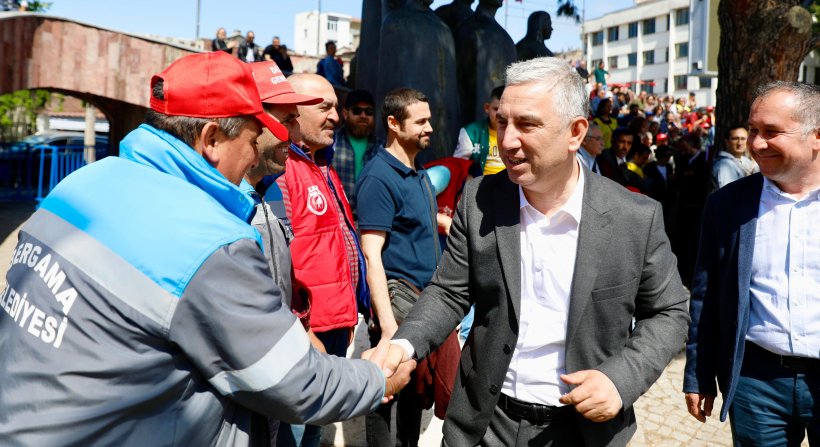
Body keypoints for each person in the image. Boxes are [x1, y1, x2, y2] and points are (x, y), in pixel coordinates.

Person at [0, 51, 414, 446]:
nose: (255, 155)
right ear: (211, 139)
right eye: (252, 140)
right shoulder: (209, 239)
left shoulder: (81, 183)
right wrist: (376, 379)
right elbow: (293, 382)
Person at [368, 56, 689, 446]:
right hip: (485, 426)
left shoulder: (634, 217)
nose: (507, 141)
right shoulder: (479, 199)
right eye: (503, 122)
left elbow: (669, 312)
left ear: (575, 132)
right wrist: (403, 345)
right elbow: (449, 291)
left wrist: (621, 379)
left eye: (527, 125)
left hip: (582, 433)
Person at [684, 81, 820, 445]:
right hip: (756, 384)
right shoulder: (728, 205)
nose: (756, 143)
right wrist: (699, 373)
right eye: (754, 130)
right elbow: (706, 295)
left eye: (771, 132)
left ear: (816, 136)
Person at [274, 73, 369, 447]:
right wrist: (302, 330)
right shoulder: (283, 170)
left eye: (336, 107)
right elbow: (277, 260)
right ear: (293, 111)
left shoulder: (320, 165)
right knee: (295, 434)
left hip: (332, 327)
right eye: (325, 107)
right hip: (304, 335)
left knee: (313, 429)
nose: (336, 116)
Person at [356, 87, 443, 447]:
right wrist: (388, 326)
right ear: (393, 123)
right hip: (398, 304)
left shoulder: (416, 171)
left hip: (424, 303)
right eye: (420, 121)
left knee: (415, 392)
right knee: (385, 392)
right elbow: (371, 254)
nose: (429, 128)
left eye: (429, 120)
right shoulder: (379, 177)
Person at [245, 60, 323, 443]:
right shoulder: (219, 203)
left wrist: (303, 329)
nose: (295, 133)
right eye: (287, 119)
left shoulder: (272, 189)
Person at [333, 89, 382, 210]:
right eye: (357, 111)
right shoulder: (331, 143)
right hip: (338, 215)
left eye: (369, 112)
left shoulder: (382, 148)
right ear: (345, 114)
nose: (363, 116)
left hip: (371, 216)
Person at [453, 85, 505, 175]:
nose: (499, 114)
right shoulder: (471, 132)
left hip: (510, 181)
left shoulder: (518, 132)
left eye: (504, 110)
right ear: (487, 108)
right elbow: (458, 164)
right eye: (496, 109)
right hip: (481, 180)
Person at [710, 124, 758, 190]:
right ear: (727, 141)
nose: (739, 143)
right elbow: (729, 193)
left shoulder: (745, 161)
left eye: (743, 139)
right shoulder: (724, 164)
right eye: (735, 139)